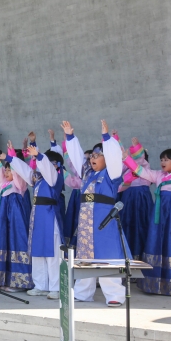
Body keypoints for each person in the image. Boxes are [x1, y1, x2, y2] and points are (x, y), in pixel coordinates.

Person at [63, 119, 127, 307]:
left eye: (98, 155)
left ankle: (114, 294)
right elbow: (77, 157)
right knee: (85, 255)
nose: (93, 158)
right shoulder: (87, 173)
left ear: (106, 158)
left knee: (107, 254)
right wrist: (70, 137)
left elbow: (114, 156)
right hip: (85, 220)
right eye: (92, 155)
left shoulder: (112, 173)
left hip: (104, 219)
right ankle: (83, 293)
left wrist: (106, 138)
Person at [123, 148, 171, 296]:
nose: (163, 162)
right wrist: (127, 159)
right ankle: (155, 285)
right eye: (161, 159)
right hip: (159, 214)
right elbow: (140, 171)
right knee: (157, 241)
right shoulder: (158, 175)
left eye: (166, 160)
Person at [6, 143, 64, 299]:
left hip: (50, 217)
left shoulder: (55, 178)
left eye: (48, 163)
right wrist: (9, 158)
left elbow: (48, 169)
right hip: (37, 217)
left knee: (52, 254)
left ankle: (55, 287)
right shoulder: (37, 179)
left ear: (56, 165)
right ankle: (40, 285)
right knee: (38, 252)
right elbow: (25, 171)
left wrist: (39, 156)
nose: (42, 166)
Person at [0, 141, 33, 292]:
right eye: (6, 170)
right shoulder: (4, 185)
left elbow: (18, 173)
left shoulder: (20, 185)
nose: (7, 172)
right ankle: (3, 279)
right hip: (4, 221)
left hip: (16, 222)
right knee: (3, 245)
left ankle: (19, 282)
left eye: (9, 170)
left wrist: (11, 155)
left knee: (17, 244)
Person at [117, 137, 154, 260]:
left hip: (142, 198)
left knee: (142, 224)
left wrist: (137, 146)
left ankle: (142, 255)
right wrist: (117, 140)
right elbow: (121, 157)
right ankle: (128, 255)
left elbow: (138, 159)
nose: (133, 158)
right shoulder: (126, 167)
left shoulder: (144, 166)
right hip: (128, 197)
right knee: (128, 223)